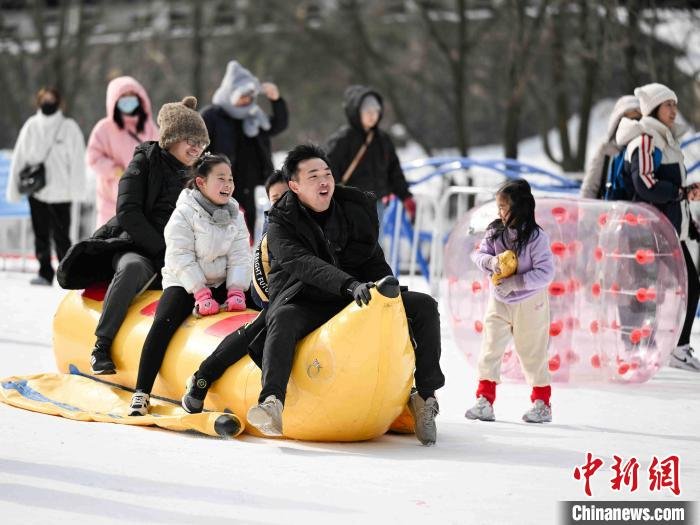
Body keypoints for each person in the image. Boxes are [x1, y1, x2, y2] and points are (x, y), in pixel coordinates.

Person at [244, 144, 445, 445]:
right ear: (295, 186)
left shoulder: (355, 207)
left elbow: (371, 257)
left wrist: (386, 291)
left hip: (356, 295)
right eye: (313, 176)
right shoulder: (281, 221)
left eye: (327, 173)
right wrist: (349, 284)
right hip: (306, 297)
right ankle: (272, 400)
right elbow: (304, 264)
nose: (324, 181)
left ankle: (425, 399)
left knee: (424, 306)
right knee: (282, 317)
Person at [56, 96, 210, 375]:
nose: (197, 147)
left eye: (202, 142)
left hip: (185, 255)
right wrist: (162, 250)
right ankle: (101, 345)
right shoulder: (145, 161)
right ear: (172, 137)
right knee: (131, 269)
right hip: (140, 246)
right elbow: (128, 211)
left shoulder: (204, 172)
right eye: (191, 140)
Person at [128, 153, 251, 415]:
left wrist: (237, 289)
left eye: (230, 178)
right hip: (185, 281)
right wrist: (200, 292)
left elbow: (241, 254)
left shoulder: (235, 215)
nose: (228, 184)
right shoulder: (184, 213)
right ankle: (141, 392)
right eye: (220, 178)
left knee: (260, 311)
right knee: (164, 322)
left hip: (222, 282)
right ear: (201, 182)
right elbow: (179, 256)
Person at [179, 170, 287, 414]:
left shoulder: (317, 217)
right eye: (275, 198)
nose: (281, 202)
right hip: (275, 297)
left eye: (286, 196)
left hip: (305, 297)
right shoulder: (275, 225)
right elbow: (260, 270)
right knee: (261, 325)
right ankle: (202, 378)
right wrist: (275, 302)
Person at [621, 83, 700, 372]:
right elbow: (645, 183)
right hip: (647, 228)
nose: (674, 110)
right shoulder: (644, 140)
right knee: (646, 290)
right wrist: (680, 192)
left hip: (668, 228)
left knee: (688, 284)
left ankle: (675, 347)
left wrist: (685, 201)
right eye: (668, 105)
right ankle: (638, 348)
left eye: (675, 104)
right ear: (654, 107)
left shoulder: (665, 140)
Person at [466, 179, 555, 423]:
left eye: (504, 206)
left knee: (532, 351)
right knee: (490, 346)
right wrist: (491, 263)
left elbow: (546, 273)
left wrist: (516, 283)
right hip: (500, 301)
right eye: (498, 206)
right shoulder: (495, 232)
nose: (500, 212)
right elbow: (479, 254)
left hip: (530, 304)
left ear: (520, 207)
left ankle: (542, 403)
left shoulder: (537, 238)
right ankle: (484, 400)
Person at [6, 87, 86, 286]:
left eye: (52, 99)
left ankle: (67, 272)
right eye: (45, 99)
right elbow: (19, 157)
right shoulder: (31, 126)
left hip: (62, 193)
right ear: (39, 101)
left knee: (62, 236)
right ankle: (44, 272)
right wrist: (15, 188)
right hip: (37, 190)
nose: (48, 102)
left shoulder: (69, 127)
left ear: (59, 102)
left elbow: (77, 162)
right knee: (40, 233)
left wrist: (77, 190)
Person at [201, 60, 288, 234]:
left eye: (250, 96)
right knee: (221, 228)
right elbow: (199, 147)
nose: (246, 100)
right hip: (222, 181)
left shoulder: (254, 115)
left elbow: (277, 125)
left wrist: (276, 100)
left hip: (250, 181)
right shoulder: (212, 116)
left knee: (246, 227)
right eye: (242, 96)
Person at [325, 85, 416, 224]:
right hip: (349, 206)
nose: (373, 115)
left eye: (376, 110)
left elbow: (394, 171)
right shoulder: (343, 140)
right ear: (356, 112)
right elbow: (328, 171)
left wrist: (406, 197)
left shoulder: (383, 139)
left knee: (374, 242)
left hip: (376, 204)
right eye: (367, 111)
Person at [86, 76, 159, 228]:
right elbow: (93, 158)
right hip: (111, 200)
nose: (128, 101)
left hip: (142, 198)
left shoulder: (149, 127)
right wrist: (115, 170)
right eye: (123, 97)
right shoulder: (104, 129)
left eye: (131, 96)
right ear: (114, 100)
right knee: (108, 242)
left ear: (140, 98)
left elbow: (160, 154)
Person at [580, 95, 641, 200]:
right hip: (607, 212)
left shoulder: (650, 148)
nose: (632, 124)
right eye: (627, 120)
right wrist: (586, 214)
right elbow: (590, 189)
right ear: (617, 122)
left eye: (638, 119)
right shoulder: (606, 150)